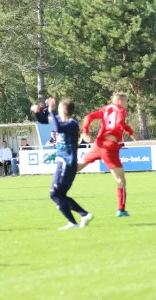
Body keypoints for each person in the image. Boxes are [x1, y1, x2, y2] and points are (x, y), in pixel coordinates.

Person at [32, 97, 93, 230]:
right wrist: (37, 111)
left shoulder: (72, 123)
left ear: (64, 110)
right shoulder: (60, 120)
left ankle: (81, 216)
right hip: (62, 163)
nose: (57, 110)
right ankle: (80, 217)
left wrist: (51, 110)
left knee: (54, 194)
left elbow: (58, 128)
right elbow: (43, 120)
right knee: (59, 195)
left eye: (59, 108)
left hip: (67, 163)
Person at [77, 93, 139, 217]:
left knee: (77, 167)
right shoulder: (120, 110)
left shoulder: (105, 109)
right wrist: (131, 132)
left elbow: (88, 117)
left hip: (98, 145)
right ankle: (121, 210)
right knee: (120, 179)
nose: (127, 105)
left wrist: (85, 132)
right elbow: (120, 122)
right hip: (109, 147)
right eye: (126, 102)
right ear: (120, 101)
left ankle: (60, 167)